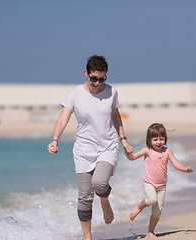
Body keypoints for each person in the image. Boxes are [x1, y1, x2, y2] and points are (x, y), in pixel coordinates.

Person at [47, 54, 133, 240]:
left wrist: (123, 139)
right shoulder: (74, 94)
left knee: (100, 183)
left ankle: (104, 200)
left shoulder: (111, 91)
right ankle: (87, 237)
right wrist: (55, 140)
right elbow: (63, 119)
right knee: (84, 197)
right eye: (93, 78)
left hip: (107, 146)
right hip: (84, 150)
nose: (97, 83)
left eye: (102, 79)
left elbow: (116, 115)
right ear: (86, 73)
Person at [125, 123, 193, 238]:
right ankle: (139, 207)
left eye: (161, 139)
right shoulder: (147, 150)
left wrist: (185, 169)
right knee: (151, 199)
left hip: (162, 186)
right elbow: (133, 157)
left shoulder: (167, 152)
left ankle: (151, 231)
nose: (158, 142)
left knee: (157, 211)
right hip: (149, 183)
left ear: (165, 139)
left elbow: (176, 164)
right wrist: (128, 154)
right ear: (149, 140)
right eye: (155, 139)